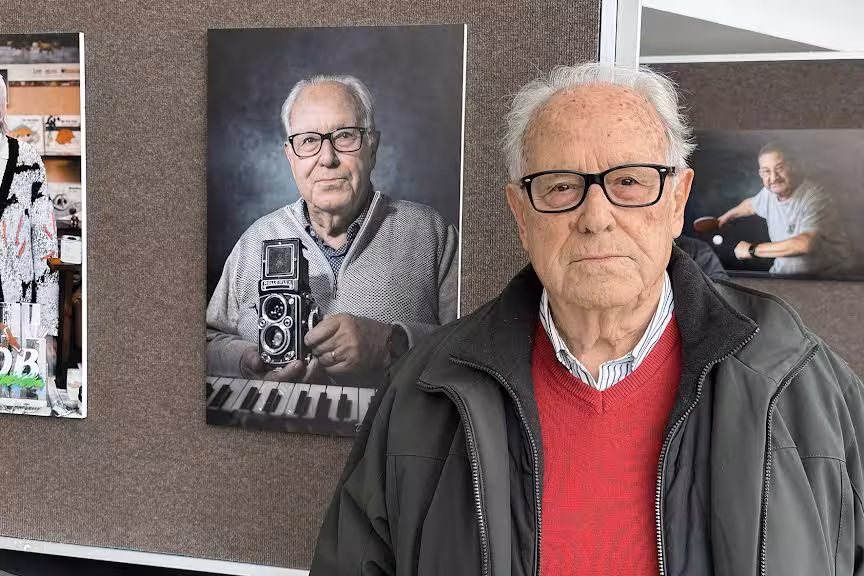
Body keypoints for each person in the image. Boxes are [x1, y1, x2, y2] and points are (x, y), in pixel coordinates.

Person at [310, 63, 864, 575]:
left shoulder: (798, 380)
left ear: (677, 201)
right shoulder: (422, 391)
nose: (596, 217)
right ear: (521, 214)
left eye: (630, 181)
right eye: (560, 186)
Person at [206, 75, 459, 385]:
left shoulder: (431, 234)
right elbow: (206, 342)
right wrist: (247, 362)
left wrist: (391, 344)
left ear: (372, 147)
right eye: (308, 141)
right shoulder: (255, 241)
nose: (327, 158)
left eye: (345, 135)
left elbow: (474, 346)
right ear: (290, 157)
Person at [717, 142, 853, 276]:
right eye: (766, 171)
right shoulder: (769, 193)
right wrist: (725, 217)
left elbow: (804, 244)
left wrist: (752, 250)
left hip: (826, 279)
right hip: (783, 276)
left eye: (780, 168)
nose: (773, 177)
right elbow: (750, 205)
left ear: (793, 167)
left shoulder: (816, 198)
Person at [0, 75, 59, 350]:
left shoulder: (28, 160)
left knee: (14, 374)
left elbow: (45, 244)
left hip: (17, 303)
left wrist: (47, 326)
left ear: (4, 107)